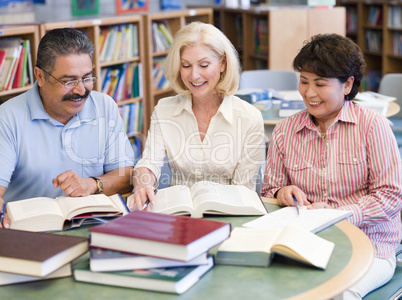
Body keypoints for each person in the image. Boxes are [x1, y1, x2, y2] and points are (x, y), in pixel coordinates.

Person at [261, 33, 402, 299]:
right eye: (303, 82)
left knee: (337, 294)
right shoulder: (285, 130)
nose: (309, 93)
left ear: (348, 84)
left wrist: (339, 215)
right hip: (305, 244)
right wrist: (283, 191)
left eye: (320, 84)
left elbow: (390, 198)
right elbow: (270, 191)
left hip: (371, 246)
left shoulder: (373, 126)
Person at [0, 28, 135, 228]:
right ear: (40, 76)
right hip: (30, 232)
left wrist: (92, 184)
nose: (81, 90)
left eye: (87, 78)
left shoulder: (105, 106)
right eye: (69, 81)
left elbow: (126, 176)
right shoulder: (7, 117)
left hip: (96, 226)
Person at [129, 22, 265, 210]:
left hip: (227, 215)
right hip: (178, 214)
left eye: (204, 65)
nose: (194, 75)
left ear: (223, 63)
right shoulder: (164, 109)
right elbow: (149, 162)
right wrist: (143, 182)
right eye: (186, 65)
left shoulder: (249, 117)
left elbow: (244, 190)